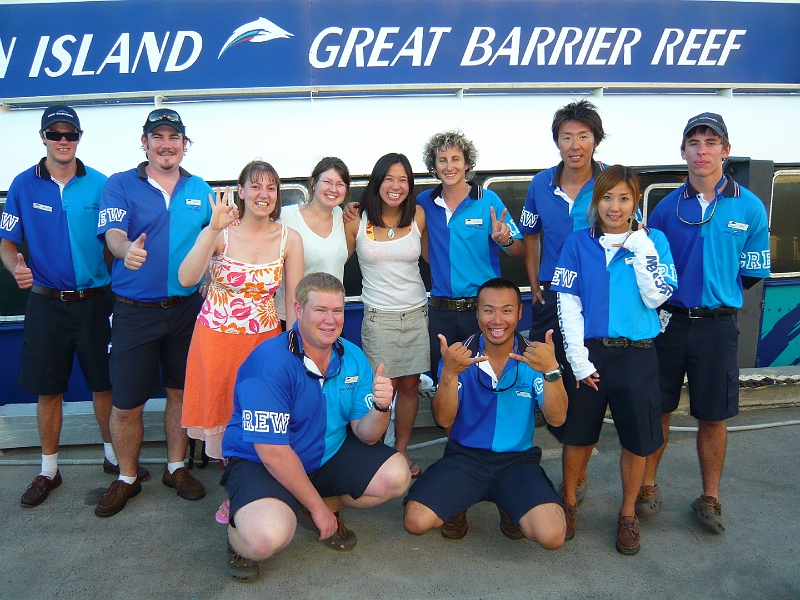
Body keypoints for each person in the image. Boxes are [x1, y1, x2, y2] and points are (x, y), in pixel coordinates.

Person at [220, 272, 411, 582]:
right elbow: (273, 453)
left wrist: (381, 407)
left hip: (324, 452)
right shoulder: (268, 363)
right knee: (265, 538)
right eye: (320, 310)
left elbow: (367, 434)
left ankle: (310, 504)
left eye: (337, 311)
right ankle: (237, 529)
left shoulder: (352, 356)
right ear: (298, 310)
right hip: (262, 461)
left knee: (397, 476)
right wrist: (319, 510)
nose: (330, 320)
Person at [0, 105, 137, 507]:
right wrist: (16, 269)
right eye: (55, 133)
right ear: (42, 136)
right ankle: (48, 470)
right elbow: (8, 245)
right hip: (46, 304)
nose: (63, 140)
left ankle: (114, 457)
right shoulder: (23, 186)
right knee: (49, 391)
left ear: (79, 137)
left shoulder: (100, 184)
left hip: (96, 302)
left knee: (104, 385)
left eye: (70, 134)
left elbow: (115, 240)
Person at [641, 113, 770, 534]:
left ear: (725, 150)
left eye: (711, 142)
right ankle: (646, 486)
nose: (702, 149)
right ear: (683, 152)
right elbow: (649, 265)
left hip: (716, 327)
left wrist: (714, 295)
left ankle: (710, 496)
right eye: (694, 142)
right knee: (658, 409)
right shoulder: (665, 207)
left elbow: (751, 273)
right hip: (669, 324)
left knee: (713, 416)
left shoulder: (749, 206)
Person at [551, 165, 677, 554]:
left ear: (636, 201)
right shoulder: (577, 242)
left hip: (638, 355)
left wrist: (640, 248)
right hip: (591, 355)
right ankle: (569, 503)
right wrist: (578, 360)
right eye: (607, 197)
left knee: (637, 441)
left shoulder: (654, 241)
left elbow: (659, 296)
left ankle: (627, 513)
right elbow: (568, 304)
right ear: (596, 201)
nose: (615, 206)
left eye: (624, 198)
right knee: (577, 435)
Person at [94, 108, 213, 517]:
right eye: (157, 136)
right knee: (127, 403)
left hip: (186, 311)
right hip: (134, 313)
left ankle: (176, 467)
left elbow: (216, 241)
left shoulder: (201, 189)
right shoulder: (120, 184)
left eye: (174, 137)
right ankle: (127, 476)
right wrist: (126, 250)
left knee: (181, 393)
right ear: (144, 142)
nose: (167, 144)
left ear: (184, 144)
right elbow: (112, 234)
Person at [403, 278, 568, 548]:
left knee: (552, 536)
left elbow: (557, 418)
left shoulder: (536, 356)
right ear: (477, 313)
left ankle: (509, 504)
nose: (497, 320)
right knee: (416, 521)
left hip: (517, 462)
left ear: (519, 313)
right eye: (488, 310)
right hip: (466, 458)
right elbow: (443, 419)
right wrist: (449, 374)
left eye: (506, 310)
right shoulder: (459, 355)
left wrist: (551, 372)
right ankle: (458, 503)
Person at [179, 160, 303, 461]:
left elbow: (293, 301)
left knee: (262, 414)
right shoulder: (221, 232)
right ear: (241, 191)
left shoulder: (290, 239)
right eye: (256, 186)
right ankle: (233, 487)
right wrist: (212, 228)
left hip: (264, 342)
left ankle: (256, 483)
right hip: (216, 341)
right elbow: (186, 278)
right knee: (224, 415)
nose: (264, 194)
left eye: (271, 188)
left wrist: (294, 348)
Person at [520, 99, 610, 508]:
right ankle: (533, 457)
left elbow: (632, 234)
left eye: (583, 136)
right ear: (557, 141)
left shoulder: (613, 182)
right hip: (551, 293)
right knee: (547, 370)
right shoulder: (540, 183)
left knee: (587, 380)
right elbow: (531, 235)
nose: (575, 145)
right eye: (567, 137)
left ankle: (577, 472)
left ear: (595, 139)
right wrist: (534, 283)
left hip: (595, 296)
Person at [344, 153, 428, 479]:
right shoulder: (356, 220)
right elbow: (335, 260)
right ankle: (379, 452)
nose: (396, 186)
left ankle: (401, 451)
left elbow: (439, 256)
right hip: (379, 317)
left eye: (403, 179)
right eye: (389, 179)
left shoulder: (418, 216)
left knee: (409, 386)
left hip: (416, 314)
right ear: (377, 182)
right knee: (382, 388)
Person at [418, 130, 524, 381]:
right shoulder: (424, 202)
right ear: (433, 166)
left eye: (456, 159)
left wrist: (505, 239)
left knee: (483, 379)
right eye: (442, 160)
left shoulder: (488, 200)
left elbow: (519, 250)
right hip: (440, 312)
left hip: (481, 310)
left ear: (467, 164)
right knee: (444, 381)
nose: (449, 166)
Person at [274, 157, 350, 327]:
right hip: (292, 319)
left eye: (340, 184)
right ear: (313, 183)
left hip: (330, 321)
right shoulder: (285, 217)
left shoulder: (341, 216)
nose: (333, 189)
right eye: (327, 182)